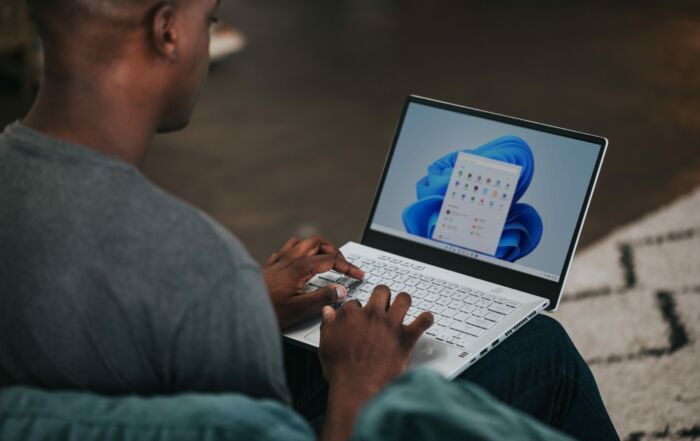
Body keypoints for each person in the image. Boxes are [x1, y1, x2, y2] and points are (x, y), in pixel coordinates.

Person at [0, 1, 619, 440]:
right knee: (544, 352)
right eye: (208, 18)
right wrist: (359, 383)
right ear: (168, 31)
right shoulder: (192, 263)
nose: (208, 34)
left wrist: (249, 302)